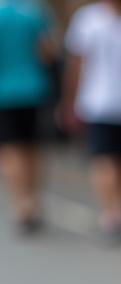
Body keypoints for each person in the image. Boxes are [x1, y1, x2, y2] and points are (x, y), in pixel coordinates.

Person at [63, 0, 121, 243]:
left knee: (120, 159)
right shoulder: (89, 18)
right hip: (99, 102)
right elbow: (77, 64)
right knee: (107, 158)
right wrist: (71, 98)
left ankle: (117, 209)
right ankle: (114, 211)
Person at [0, 0, 56, 233]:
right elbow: (48, 53)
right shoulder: (36, 12)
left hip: (4, 92)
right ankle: (33, 200)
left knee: (11, 149)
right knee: (32, 146)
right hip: (34, 89)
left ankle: (22, 204)